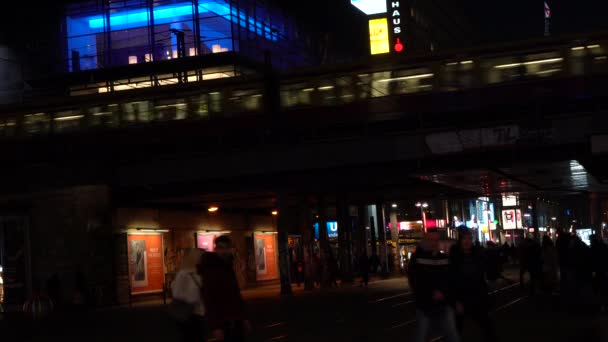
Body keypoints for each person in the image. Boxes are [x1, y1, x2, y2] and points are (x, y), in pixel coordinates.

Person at [409, 231, 460, 342]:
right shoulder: (417, 258)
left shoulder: (444, 258)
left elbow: (450, 279)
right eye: (431, 240)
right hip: (425, 304)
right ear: (425, 241)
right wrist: (431, 292)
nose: (434, 243)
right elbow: (415, 281)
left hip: (444, 302)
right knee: (421, 334)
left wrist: (444, 293)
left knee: (451, 333)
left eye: (436, 240)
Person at [198, 235, 250, 342]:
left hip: (236, 320)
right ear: (215, 249)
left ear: (230, 249)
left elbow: (235, 294)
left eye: (226, 248)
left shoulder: (228, 266)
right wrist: (216, 326)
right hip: (224, 322)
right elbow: (209, 299)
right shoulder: (210, 268)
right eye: (220, 248)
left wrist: (243, 317)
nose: (224, 251)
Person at [450, 229, 496, 342]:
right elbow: (451, 279)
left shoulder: (477, 254)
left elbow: (484, 273)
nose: (467, 241)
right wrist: (455, 300)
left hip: (477, 296)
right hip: (461, 296)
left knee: (487, 326)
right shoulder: (454, 256)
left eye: (470, 238)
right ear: (460, 240)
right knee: (456, 329)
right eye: (465, 238)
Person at [171, 248, 206, 342]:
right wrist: (193, 298)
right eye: (201, 257)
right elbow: (176, 292)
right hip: (189, 314)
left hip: (200, 314)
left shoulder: (200, 273)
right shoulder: (183, 274)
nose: (203, 259)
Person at [591, 235, 608, 311]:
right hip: (603, 269)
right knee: (604, 287)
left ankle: (599, 304)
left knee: (598, 288)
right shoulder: (603, 246)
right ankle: (604, 304)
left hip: (597, 270)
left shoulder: (593, 248)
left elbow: (593, 260)